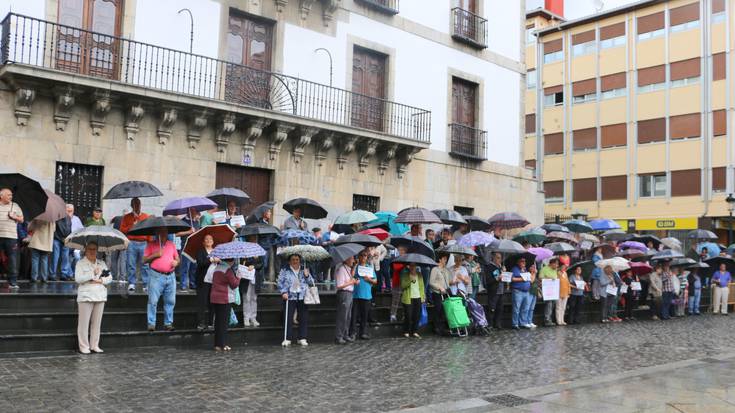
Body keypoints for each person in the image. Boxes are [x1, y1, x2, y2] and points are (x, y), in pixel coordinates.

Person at [75, 241, 112, 354]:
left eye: (94, 249)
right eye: (90, 249)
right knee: (84, 323)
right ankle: (84, 346)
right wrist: (92, 273)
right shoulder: (80, 263)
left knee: (97, 323)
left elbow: (110, 277)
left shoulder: (102, 263)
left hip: (100, 295)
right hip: (86, 296)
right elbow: (78, 279)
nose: (92, 251)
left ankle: (94, 345)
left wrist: (101, 280)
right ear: (85, 250)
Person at [143, 228, 179, 331]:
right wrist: (155, 255)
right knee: (153, 301)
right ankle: (151, 323)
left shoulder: (171, 244)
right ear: (156, 233)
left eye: (165, 232)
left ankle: (168, 323)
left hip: (171, 276)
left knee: (170, 301)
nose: (163, 234)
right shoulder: (151, 244)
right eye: (160, 232)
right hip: (156, 276)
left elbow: (177, 258)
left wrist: (176, 262)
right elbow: (144, 260)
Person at [278, 253, 313, 346]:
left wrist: (307, 276)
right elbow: (280, 282)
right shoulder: (285, 270)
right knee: (288, 318)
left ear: (299, 260)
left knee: (303, 318)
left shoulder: (304, 270)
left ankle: (302, 337)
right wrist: (283, 292)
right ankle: (287, 338)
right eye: (293, 259)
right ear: (289, 261)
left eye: (297, 259)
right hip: (290, 296)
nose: (295, 261)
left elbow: (311, 283)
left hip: (302, 296)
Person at [120, 198, 151, 291]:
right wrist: (132, 226)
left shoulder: (146, 216)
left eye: (138, 204)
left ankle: (146, 284)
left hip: (143, 243)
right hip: (132, 243)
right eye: (135, 204)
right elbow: (122, 230)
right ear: (132, 206)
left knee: (145, 265)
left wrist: (149, 243)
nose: (137, 206)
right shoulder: (126, 217)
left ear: (140, 205)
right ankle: (131, 283)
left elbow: (149, 230)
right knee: (131, 264)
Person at [210, 259, 241, 351]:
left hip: (215, 297)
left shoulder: (216, 268)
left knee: (218, 322)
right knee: (224, 323)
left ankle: (217, 344)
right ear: (230, 261)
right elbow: (234, 284)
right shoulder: (228, 270)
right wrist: (239, 277)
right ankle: (223, 344)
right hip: (224, 298)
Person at [350, 249, 377, 340]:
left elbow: (375, 281)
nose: (363, 257)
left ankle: (363, 333)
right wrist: (355, 265)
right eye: (361, 255)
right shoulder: (356, 267)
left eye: (365, 255)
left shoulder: (369, 268)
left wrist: (369, 280)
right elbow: (351, 276)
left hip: (367, 295)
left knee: (364, 316)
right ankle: (352, 333)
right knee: (354, 315)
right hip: (356, 295)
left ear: (367, 257)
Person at [194, 234, 218, 330]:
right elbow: (201, 263)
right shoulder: (200, 252)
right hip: (203, 281)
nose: (208, 240)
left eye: (210, 239)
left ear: (213, 241)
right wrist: (211, 260)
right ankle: (201, 323)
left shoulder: (217, 251)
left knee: (212, 302)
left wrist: (218, 260)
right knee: (202, 302)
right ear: (203, 242)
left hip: (214, 281)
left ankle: (211, 323)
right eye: (206, 239)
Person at [239, 234, 263, 327]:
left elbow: (261, 264)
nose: (254, 241)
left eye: (255, 239)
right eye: (252, 239)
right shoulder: (244, 250)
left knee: (254, 298)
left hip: (255, 278)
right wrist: (250, 261)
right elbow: (242, 263)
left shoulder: (259, 250)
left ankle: (253, 318)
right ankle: (246, 318)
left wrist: (255, 265)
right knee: (246, 298)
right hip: (246, 278)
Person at [334, 255, 357, 344]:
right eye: (352, 258)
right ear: (346, 259)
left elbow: (351, 277)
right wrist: (351, 282)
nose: (353, 260)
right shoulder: (341, 269)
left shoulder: (348, 268)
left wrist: (354, 281)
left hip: (350, 293)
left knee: (348, 316)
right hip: (344, 294)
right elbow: (339, 285)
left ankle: (345, 335)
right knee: (342, 316)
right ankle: (338, 336)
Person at [400, 263, 425, 338]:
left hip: (418, 297)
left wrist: (423, 296)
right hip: (408, 298)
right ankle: (406, 331)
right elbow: (403, 285)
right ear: (409, 266)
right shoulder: (405, 274)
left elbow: (422, 286)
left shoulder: (419, 274)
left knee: (417, 315)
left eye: (414, 266)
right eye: (411, 266)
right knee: (408, 315)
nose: (412, 267)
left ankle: (415, 331)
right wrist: (410, 280)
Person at [176, 208, 199, 290]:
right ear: (188, 211)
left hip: (195, 246)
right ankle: (183, 285)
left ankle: (192, 283)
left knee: (194, 266)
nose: (195, 213)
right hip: (185, 246)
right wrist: (188, 232)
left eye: (195, 211)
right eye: (193, 211)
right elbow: (177, 234)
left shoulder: (196, 222)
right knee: (185, 266)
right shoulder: (182, 221)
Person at [428, 253, 451, 335]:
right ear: (440, 259)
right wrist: (439, 287)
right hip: (437, 293)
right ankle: (436, 327)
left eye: (446, 259)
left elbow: (448, 282)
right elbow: (431, 282)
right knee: (438, 309)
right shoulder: (435, 269)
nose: (446, 261)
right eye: (444, 259)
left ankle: (444, 327)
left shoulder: (446, 270)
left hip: (446, 292)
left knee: (445, 310)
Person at [510, 257, 534, 329]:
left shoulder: (525, 269)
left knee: (525, 308)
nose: (524, 263)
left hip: (526, 291)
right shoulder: (515, 269)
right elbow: (512, 278)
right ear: (518, 262)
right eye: (522, 261)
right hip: (518, 291)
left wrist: (532, 272)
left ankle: (523, 322)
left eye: (524, 262)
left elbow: (530, 279)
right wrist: (522, 279)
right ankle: (515, 324)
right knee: (516, 308)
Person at [28, 219, 55, 283]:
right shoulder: (52, 219)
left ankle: (34, 277)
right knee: (44, 260)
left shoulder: (38, 217)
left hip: (37, 241)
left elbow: (30, 227)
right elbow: (54, 229)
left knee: (35, 259)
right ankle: (44, 278)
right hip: (46, 242)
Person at [484, 252, 506, 329]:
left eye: (500, 258)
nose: (499, 260)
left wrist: (504, 272)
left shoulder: (501, 267)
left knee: (500, 308)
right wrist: (497, 278)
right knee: (492, 308)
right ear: (493, 258)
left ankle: (497, 323)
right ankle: (490, 324)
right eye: (498, 258)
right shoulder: (489, 267)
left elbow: (505, 279)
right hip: (493, 291)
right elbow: (488, 280)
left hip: (501, 290)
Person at [51, 212, 72, 281]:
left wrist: (67, 238)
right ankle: (53, 274)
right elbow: (56, 229)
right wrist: (63, 238)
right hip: (58, 239)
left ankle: (63, 274)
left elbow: (69, 229)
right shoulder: (56, 217)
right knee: (55, 257)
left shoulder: (68, 217)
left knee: (64, 257)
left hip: (65, 239)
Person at [389, 246, 408, 322]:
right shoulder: (396, 259)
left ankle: (405, 315)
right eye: (400, 250)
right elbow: (396, 268)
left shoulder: (408, 259)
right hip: (397, 282)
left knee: (405, 300)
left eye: (403, 250)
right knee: (395, 300)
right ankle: (393, 315)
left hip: (405, 283)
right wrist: (405, 265)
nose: (401, 251)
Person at [539, 258, 559, 327]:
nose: (557, 265)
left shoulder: (555, 270)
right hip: (547, 291)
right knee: (549, 304)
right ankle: (547, 320)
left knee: (552, 304)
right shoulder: (544, 269)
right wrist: (549, 279)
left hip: (553, 291)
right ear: (552, 263)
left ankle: (549, 318)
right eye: (556, 264)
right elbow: (540, 278)